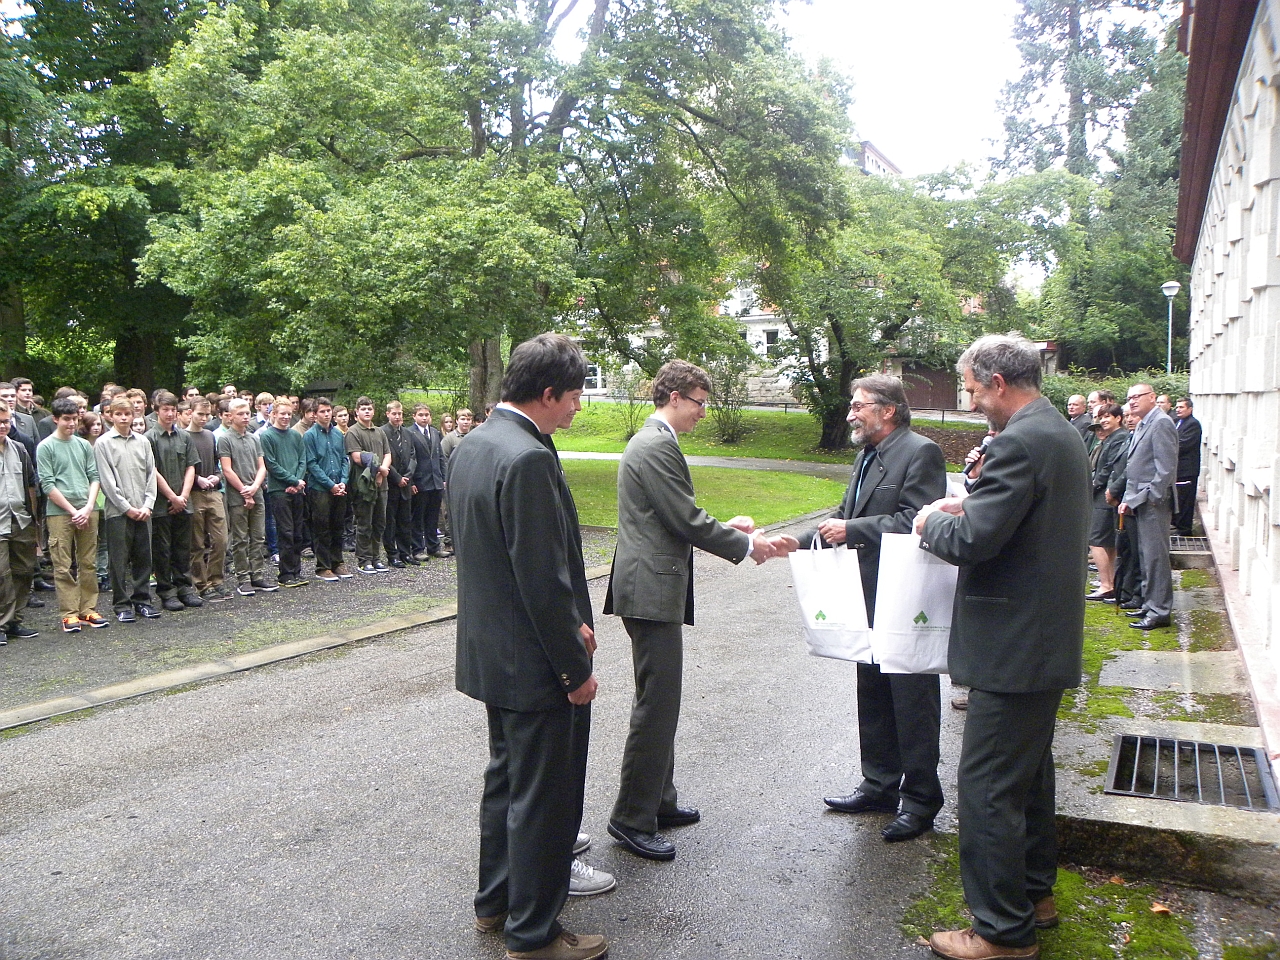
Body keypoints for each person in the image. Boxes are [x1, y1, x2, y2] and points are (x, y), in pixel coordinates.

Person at [914, 333, 1090, 960]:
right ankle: (1034, 897)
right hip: (1041, 641)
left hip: (1013, 646)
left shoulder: (1018, 441)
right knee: (1028, 779)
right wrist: (967, 507)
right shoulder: (1058, 431)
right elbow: (1022, 523)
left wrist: (932, 522)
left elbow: (974, 542)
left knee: (988, 787)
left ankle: (1001, 931)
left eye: (971, 389)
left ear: (997, 382)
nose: (969, 402)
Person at [450, 333, 610, 960]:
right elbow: (542, 579)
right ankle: (534, 934)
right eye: (573, 396)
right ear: (547, 393)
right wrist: (574, 669)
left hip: (493, 653)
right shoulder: (527, 458)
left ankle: (494, 903)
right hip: (536, 662)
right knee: (544, 798)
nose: (577, 407)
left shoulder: (474, 444)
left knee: (506, 784)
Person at [603, 358, 793, 862]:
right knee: (657, 703)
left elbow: (669, 517)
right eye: (699, 403)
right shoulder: (655, 444)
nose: (703, 413)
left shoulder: (655, 442)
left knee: (660, 698)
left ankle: (658, 802)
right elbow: (685, 519)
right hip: (648, 591)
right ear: (674, 397)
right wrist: (747, 545)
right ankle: (631, 818)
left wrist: (728, 528)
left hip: (650, 586)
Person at [810, 375, 948, 843]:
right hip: (865, 593)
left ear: (888, 410)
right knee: (872, 694)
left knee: (912, 701)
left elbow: (918, 519)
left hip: (904, 598)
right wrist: (810, 535)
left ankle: (921, 801)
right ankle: (879, 786)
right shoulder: (866, 454)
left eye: (859, 406)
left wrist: (854, 530)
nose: (850, 413)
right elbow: (847, 513)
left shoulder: (921, 452)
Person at [95, 396, 161, 622]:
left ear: (134, 415)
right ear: (111, 416)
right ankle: (121, 604)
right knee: (118, 560)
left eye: (127, 414)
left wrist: (148, 504)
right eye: (119, 414)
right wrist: (127, 508)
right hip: (118, 512)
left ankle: (143, 600)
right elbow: (107, 481)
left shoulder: (143, 442)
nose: (123, 418)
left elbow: (151, 474)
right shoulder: (103, 443)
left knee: (144, 557)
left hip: (144, 509)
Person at [1118, 383, 1178, 631]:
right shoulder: (1143, 423)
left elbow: (1165, 467)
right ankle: (1149, 603)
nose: (1132, 401)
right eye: (1129, 397)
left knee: (1155, 558)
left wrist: (1152, 496)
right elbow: (1135, 467)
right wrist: (1128, 499)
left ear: (1152, 397)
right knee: (1145, 556)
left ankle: (1159, 610)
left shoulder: (1161, 423)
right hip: (1138, 500)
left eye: (1137, 396)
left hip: (1153, 502)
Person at [146, 392, 204, 612]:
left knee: (183, 548)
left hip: (183, 502)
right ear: (156, 411)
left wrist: (183, 496)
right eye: (165, 410)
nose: (170, 414)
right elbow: (152, 471)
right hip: (162, 504)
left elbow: (191, 466)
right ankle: (167, 592)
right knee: (162, 550)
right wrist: (172, 497)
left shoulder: (185, 437)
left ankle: (184, 588)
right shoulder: (149, 438)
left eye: (173, 410)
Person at [219, 398, 277, 595]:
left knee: (258, 536)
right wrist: (245, 490)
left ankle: (257, 575)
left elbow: (262, 466)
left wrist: (254, 487)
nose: (245, 417)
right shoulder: (225, 439)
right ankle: (243, 578)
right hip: (237, 497)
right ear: (230, 416)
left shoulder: (254, 438)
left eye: (247, 414)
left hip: (257, 493)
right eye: (240, 414)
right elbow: (227, 469)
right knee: (240, 538)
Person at [0, 399, 40, 642]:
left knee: (24, 571)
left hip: (20, 520)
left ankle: (15, 620)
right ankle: (1, 623)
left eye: (6, 421)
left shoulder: (19, 449)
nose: (3, 426)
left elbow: (30, 485)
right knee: (1, 575)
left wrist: (34, 520)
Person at [258, 397, 309, 588]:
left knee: (297, 531)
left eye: (289, 414)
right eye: (282, 414)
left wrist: (298, 481)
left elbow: (302, 460)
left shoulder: (295, 435)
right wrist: (292, 480)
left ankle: (296, 571)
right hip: (279, 490)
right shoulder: (267, 436)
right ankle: (285, 573)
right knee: (285, 531)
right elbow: (271, 464)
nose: (286, 417)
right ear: (273, 414)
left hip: (297, 489)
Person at [186, 399, 232, 602]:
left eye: (207, 415)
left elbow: (216, 465)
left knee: (221, 539)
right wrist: (197, 479)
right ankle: (201, 584)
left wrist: (216, 476)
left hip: (213, 492)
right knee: (197, 542)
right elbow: (183, 467)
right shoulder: (184, 436)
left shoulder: (209, 435)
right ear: (190, 413)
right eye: (200, 414)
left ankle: (216, 579)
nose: (204, 418)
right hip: (194, 493)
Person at [1085, 403, 1129, 602]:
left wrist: (1094, 486)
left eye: (1107, 417)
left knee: (1096, 540)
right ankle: (1109, 582)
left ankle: (1106, 584)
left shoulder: (1118, 438)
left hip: (1105, 494)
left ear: (1118, 418)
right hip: (1103, 493)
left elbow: (1109, 467)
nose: (1102, 421)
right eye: (1101, 417)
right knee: (1106, 542)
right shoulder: (1111, 438)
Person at [305, 398, 352, 581]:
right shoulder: (310, 436)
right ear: (315, 414)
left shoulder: (338, 434)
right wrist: (330, 485)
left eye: (328, 411)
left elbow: (344, 459)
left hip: (339, 486)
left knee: (338, 525)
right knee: (322, 527)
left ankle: (337, 562)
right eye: (322, 411)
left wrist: (343, 482)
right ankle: (323, 566)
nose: (326, 414)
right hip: (320, 488)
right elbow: (311, 464)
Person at [345, 397, 391, 574]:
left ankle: (376, 557)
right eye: (363, 409)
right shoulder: (353, 432)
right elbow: (357, 457)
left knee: (380, 522)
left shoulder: (379, 431)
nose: (367, 412)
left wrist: (382, 471)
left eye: (369, 409)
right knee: (365, 523)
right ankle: (364, 560)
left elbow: (387, 454)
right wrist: (379, 469)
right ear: (356, 412)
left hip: (382, 484)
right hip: (363, 485)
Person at [380, 400, 417, 568]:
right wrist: (397, 478)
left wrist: (407, 476)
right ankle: (392, 554)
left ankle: (405, 552)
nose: (397, 417)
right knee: (390, 520)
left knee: (405, 520)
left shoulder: (408, 433)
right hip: (391, 482)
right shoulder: (382, 432)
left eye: (399, 413)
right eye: (394, 414)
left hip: (406, 483)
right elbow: (384, 457)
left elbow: (413, 456)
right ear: (388, 414)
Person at [408, 403, 447, 560]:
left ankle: (433, 547)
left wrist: (444, 478)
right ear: (414, 416)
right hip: (420, 481)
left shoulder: (435, 432)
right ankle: (417, 549)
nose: (424, 418)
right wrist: (411, 482)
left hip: (435, 480)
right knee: (418, 517)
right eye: (421, 415)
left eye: (426, 415)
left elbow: (440, 457)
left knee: (433, 517)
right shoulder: (410, 433)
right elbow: (409, 459)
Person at [1173, 397, 1202, 536]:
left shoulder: (1193, 424)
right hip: (1178, 469)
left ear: (1190, 409)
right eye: (1177, 407)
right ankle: (1177, 525)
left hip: (1187, 469)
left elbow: (1183, 444)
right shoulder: (1177, 422)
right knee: (1179, 499)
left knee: (1186, 501)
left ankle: (1184, 529)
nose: (1178, 410)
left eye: (1181, 407)